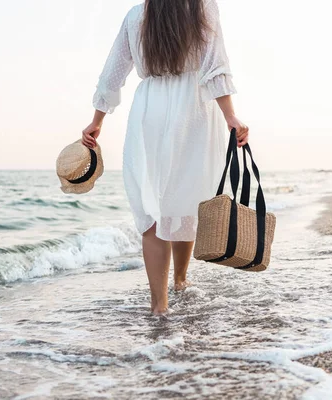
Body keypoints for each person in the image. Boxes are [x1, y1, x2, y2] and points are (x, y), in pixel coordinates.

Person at [82, 0, 249, 315]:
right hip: (196, 110)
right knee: (185, 199)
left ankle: (159, 306)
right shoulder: (201, 8)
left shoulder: (137, 16)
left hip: (151, 109)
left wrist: (97, 120)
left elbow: (113, 72)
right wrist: (231, 116)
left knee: (153, 205)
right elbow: (215, 66)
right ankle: (181, 281)